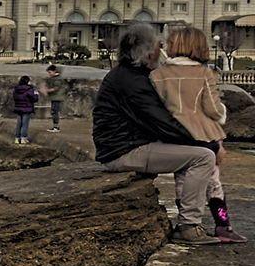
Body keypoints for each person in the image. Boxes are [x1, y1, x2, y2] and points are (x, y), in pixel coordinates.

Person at [94, 21, 225, 245]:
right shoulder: (133, 82)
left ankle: (192, 222)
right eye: (157, 46)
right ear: (146, 51)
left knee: (196, 154)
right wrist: (209, 145)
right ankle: (189, 226)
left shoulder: (128, 76)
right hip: (123, 152)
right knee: (203, 158)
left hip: (122, 147)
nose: (161, 51)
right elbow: (164, 124)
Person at [151, 27, 240, 242]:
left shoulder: (157, 74)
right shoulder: (203, 73)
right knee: (213, 183)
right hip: (202, 135)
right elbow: (213, 110)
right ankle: (223, 226)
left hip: (173, 137)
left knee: (183, 181)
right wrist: (222, 120)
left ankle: (185, 224)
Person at [11, 76, 39, 141]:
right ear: (27, 81)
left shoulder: (16, 89)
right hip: (27, 108)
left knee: (19, 123)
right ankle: (23, 138)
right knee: (25, 124)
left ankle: (17, 138)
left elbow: (15, 98)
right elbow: (34, 99)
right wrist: (36, 95)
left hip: (18, 108)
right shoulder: (29, 89)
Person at [43, 62, 66, 130]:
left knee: (55, 111)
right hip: (55, 97)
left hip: (57, 97)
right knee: (54, 111)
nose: (49, 74)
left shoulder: (57, 79)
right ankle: (55, 126)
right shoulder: (55, 78)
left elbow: (56, 88)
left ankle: (56, 126)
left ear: (54, 71)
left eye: (50, 72)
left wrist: (47, 90)